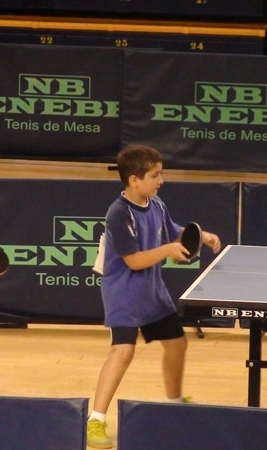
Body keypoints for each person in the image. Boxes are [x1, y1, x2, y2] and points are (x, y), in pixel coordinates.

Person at [86, 144, 222, 449]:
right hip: (123, 293)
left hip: (151, 291)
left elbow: (173, 232)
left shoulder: (157, 204)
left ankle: (174, 402)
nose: (161, 180)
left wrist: (201, 235)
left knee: (177, 344)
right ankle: (96, 419)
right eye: (155, 175)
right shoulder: (119, 213)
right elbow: (133, 261)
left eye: (161, 173)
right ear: (134, 180)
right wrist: (167, 250)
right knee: (123, 351)